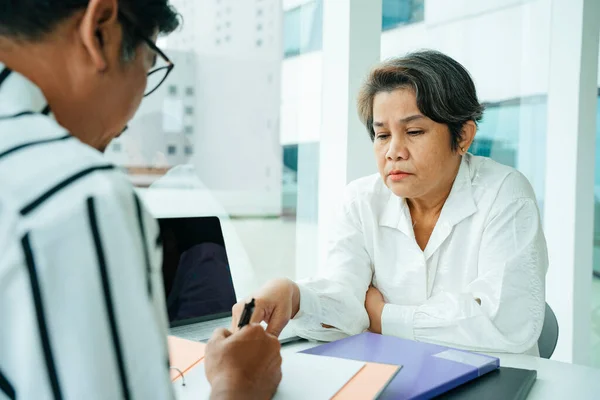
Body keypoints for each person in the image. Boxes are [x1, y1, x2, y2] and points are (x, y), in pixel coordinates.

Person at [0, 1, 281, 399]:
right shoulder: (78, 196)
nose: (129, 119)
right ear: (99, 30)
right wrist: (240, 385)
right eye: (149, 65)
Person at [233, 50, 549, 356]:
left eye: (413, 131)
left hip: (500, 381)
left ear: (463, 137)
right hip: (399, 377)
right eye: (382, 135)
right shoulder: (361, 200)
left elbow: (507, 323)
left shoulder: (505, 193)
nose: (393, 152)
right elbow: (347, 303)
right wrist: (294, 295)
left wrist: (383, 317)